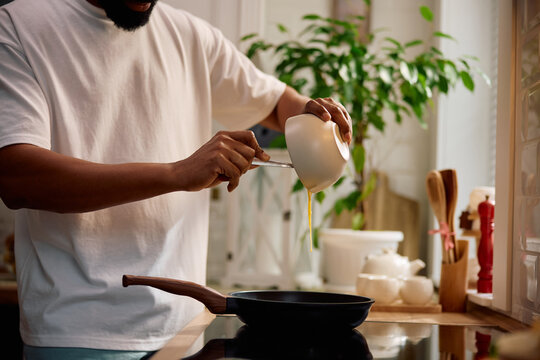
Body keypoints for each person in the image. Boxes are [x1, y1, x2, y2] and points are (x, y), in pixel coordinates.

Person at [0, 0, 352, 358]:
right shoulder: (19, 24)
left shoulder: (192, 36)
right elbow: (18, 178)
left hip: (185, 331)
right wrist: (178, 173)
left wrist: (312, 112)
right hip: (77, 332)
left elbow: (277, 103)